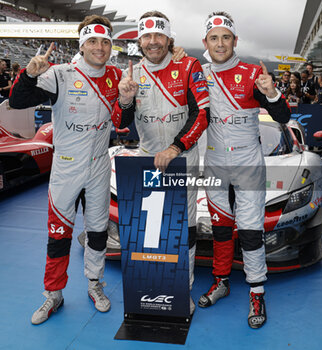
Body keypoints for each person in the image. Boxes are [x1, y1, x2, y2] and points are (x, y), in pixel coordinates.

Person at [9, 15, 135, 325]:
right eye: (93, 41)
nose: (100, 47)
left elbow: (122, 123)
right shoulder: (61, 74)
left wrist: (127, 100)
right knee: (58, 234)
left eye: (105, 41)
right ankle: (53, 294)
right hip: (65, 169)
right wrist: (27, 74)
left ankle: (95, 285)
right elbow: (17, 99)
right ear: (82, 44)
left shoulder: (117, 75)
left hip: (98, 168)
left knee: (96, 233)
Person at [114, 10, 210, 315]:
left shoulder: (189, 65)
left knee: (186, 228)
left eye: (159, 35)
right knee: (150, 230)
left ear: (169, 39)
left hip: (182, 158)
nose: (153, 42)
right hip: (147, 161)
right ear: (139, 40)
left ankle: (183, 289)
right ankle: (154, 287)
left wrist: (175, 147)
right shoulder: (131, 74)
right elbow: (121, 122)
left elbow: (201, 115)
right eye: (147, 36)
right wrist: (125, 100)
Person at [199, 11, 290, 329]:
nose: (220, 43)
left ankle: (257, 291)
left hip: (249, 165)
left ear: (235, 41)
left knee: (251, 231)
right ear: (205, 43)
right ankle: (221, 281)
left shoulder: (253, 73)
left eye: (226, 37)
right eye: (214, 38)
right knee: (221, 229)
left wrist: (272, 93)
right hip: (215, 166)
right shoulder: (199, 76)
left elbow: (283, 116)